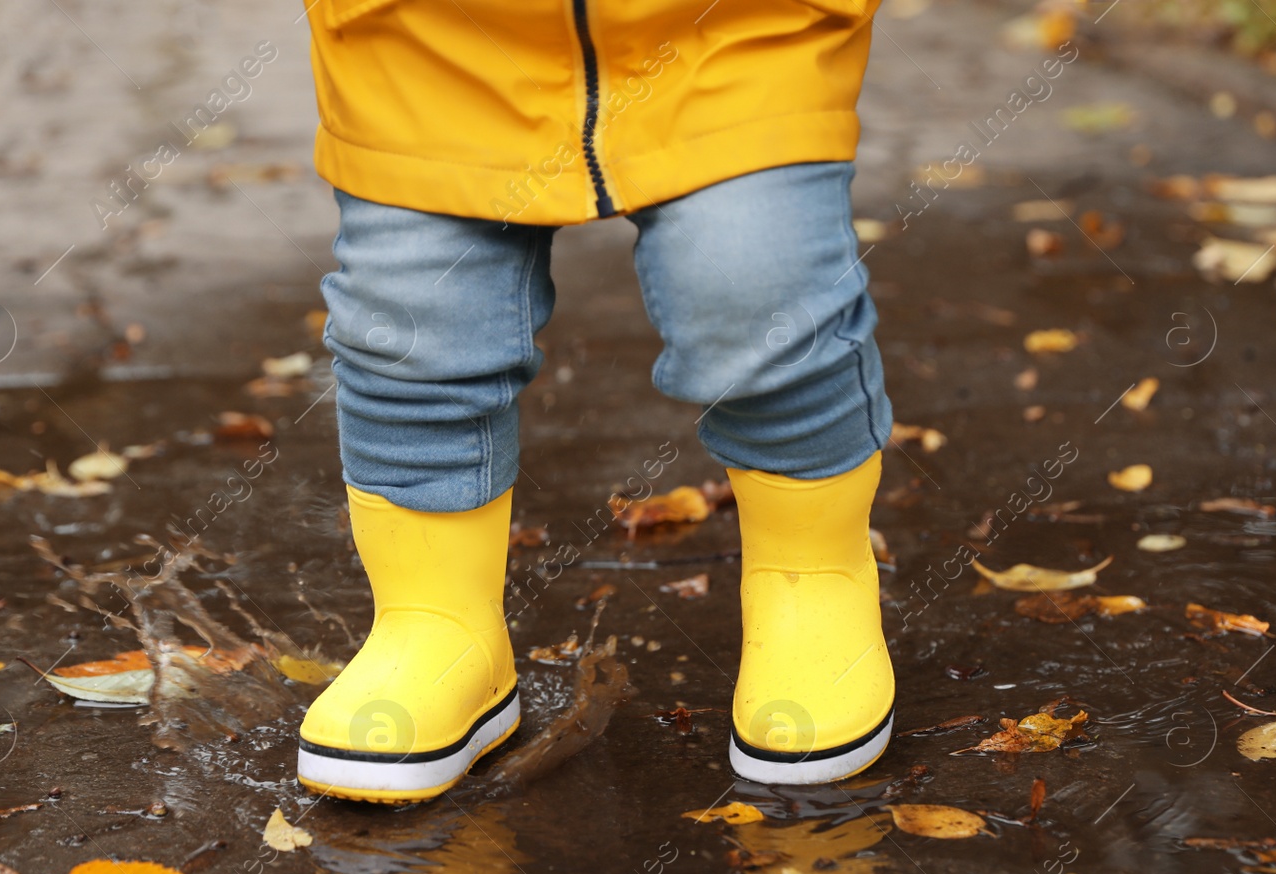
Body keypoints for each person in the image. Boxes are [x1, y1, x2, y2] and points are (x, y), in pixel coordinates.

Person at [295, 0, 895, 802]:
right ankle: (434, 622)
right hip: (426, 41)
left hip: (735, 30)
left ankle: (813, 582)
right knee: (413, 318)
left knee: (757, 286)